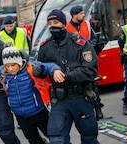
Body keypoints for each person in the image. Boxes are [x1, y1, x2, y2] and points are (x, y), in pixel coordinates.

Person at [37, 9, 100, 143]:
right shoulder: (45, 47)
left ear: (64, 24)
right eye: (49, 23)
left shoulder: (80, 43)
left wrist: (68, 76)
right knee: (56, 138)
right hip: (60, 100)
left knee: (89, 137)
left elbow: (90, 69)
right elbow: (41, 70)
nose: (52, 26)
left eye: (56, 22)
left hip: (81, 96)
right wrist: (41, 71)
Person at [66, 5, 104, 119]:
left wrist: (89, 48)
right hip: (75, 60)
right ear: (74, 15)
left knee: (92, 82)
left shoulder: (87, 24)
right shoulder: (66, 28)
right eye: (81, 13)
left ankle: (98, 108)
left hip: (87, 58)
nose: (83, 15)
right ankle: (82, 110)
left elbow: (94, 38)